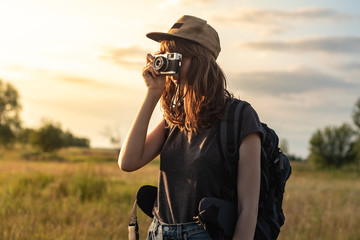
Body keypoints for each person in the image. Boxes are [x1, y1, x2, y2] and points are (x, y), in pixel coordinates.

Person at [119, 15, 264, 240]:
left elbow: (248, 210)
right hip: (158, 232)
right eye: (164, 56)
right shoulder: (174, 119)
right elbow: (127, 162)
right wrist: (153, 93)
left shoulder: (240, 117)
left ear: (200, 59)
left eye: (176, 56)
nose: (169, 64)